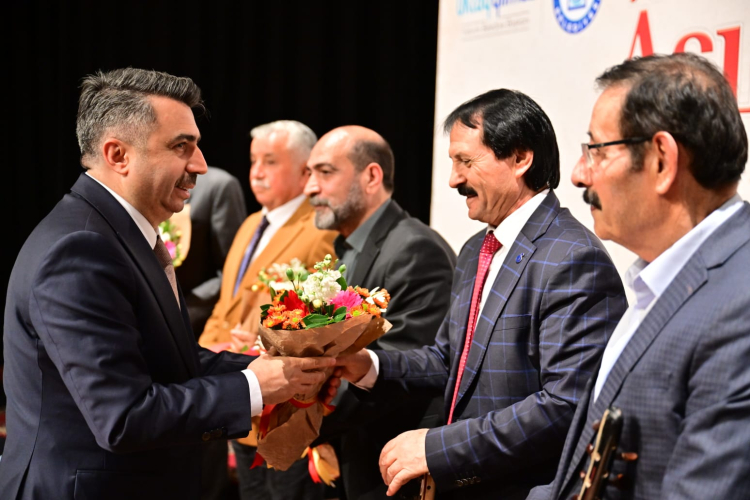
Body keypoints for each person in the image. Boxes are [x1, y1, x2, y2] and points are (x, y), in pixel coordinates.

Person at [0, 68, 335, 500]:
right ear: (118, 155)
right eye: (181, 147)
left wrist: (275, 370)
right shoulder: (80, 249)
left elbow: (168, 362)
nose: (201, 165)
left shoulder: (115, 234)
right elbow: (124, 418)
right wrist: (254, 387)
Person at [336, 90, 627, 499]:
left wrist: (439, 448)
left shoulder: (574, 258)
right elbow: (448, 360)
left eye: (466, 162)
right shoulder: (477, 249)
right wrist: (368, 365)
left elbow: (566, 405)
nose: (454, 179)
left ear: (520, 159)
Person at [527, 52, 750, 500]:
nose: (578, 175)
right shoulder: (663, 280)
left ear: (662, 160)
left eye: (596, 150)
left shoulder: (739, 306)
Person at [305, 126, 457, 500]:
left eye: (325, 172)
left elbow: (406, 365)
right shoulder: (349, 247)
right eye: (309, 173)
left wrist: (299, 413)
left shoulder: (415, 249)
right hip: (359, 459)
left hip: (393, 469)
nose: (310, 187)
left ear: (372, 176)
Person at [199, 120, 337, 500]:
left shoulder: (321, 229)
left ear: (305, 171)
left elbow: (321, 319)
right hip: (240, 395)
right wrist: (205, 354)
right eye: (253, 160)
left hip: (284, 408)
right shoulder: (250, 224)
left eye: (270, 161)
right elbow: (226, 303)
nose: (257, 171)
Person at [174, 165, 247, 338]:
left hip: (193, 321)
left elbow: (230, 271)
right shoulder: (140, 186)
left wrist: (182, 313)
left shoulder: (219, 185)